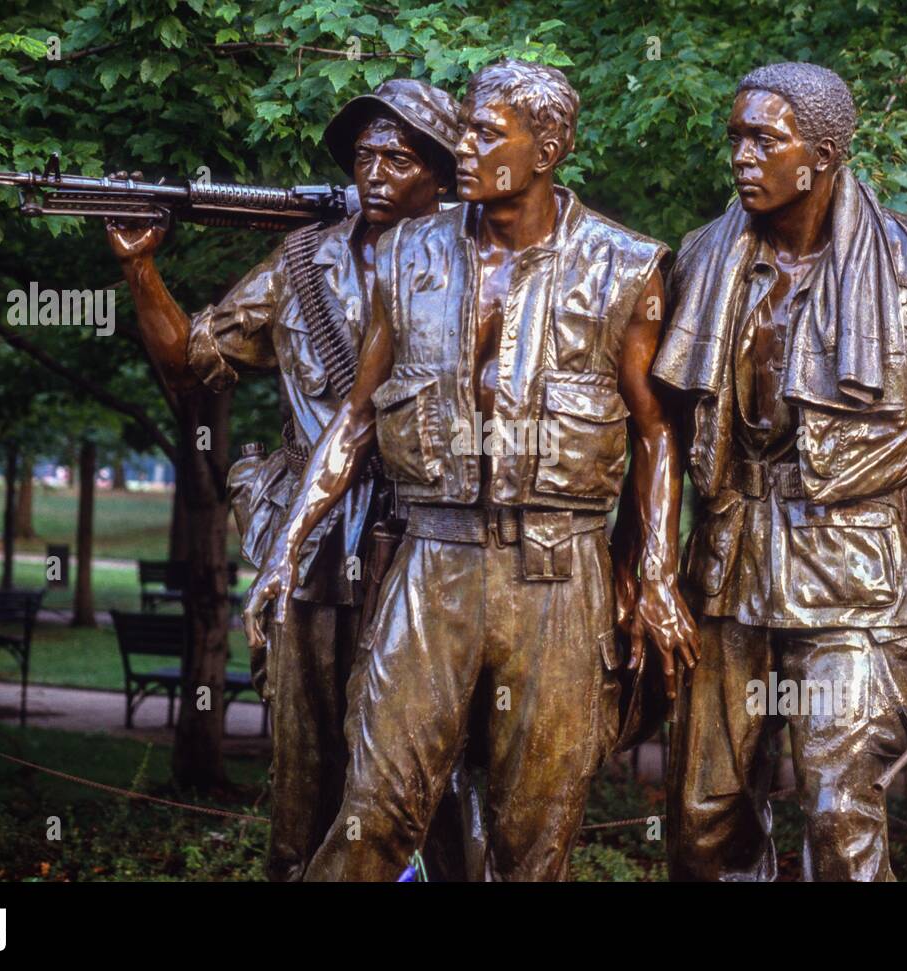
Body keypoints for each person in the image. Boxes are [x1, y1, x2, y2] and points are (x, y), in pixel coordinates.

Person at [247, 58, 699, 881]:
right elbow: (354, 418)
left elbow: (655, 435)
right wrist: (288, 542)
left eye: (486, 132)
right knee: (372, 813)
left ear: (548, 147)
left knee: (534, 840)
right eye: (463, 127)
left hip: (558, 575)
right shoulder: (408, 254)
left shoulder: (623, 266)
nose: (462, 145)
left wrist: (656, 573)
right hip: (433, 560)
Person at [653, 62, 907, 881]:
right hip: (728, 570)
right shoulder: (701, 259)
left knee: (841, 823)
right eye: (736, 138)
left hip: (854, 576)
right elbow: (657, 430)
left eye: (765, 139)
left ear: (822, 154)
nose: (742, 157)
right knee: (703, 824)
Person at [106, 78, 481, 881]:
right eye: (362, 156)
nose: (374, 171)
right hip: (314, 552)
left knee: (437, 767)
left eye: (398, 156)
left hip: (434, 545)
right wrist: (143, 273)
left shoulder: (480, 263)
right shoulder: (304, 259)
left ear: (444, 173)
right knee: (305, 765)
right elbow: (192, 364)